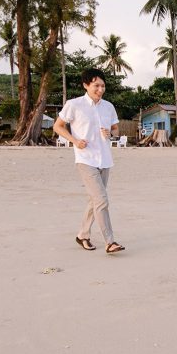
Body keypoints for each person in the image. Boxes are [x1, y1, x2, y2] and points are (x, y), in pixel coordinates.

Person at [53, 68, 126, 254]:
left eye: (103, 86)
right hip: (85, 159)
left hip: (105, 159)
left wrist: (111, 133)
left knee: (94, 200)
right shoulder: (74, 104)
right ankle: (110, 242)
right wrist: (75, 141)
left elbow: (116, 129)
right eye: (96, 86)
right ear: (86, 85)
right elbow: (58, 126)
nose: (100, 89)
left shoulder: (108, 106)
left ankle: (82, 235)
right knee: (101, 199)